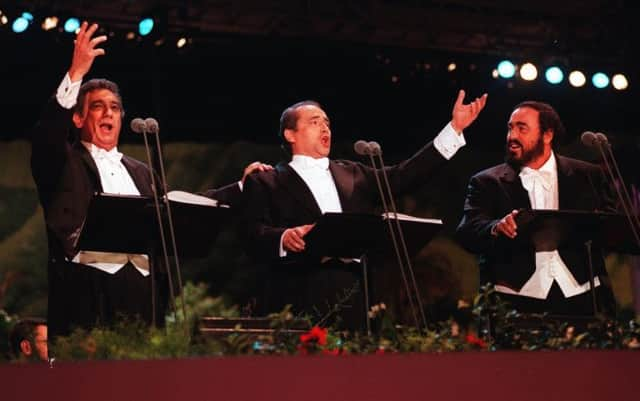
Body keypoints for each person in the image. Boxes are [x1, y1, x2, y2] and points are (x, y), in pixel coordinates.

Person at [30, 22, 264, 339]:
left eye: (114, 108)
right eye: (97, 107)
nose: (107, 114)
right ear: (78, 117)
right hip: (88, 290)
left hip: (143, 290)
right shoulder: (63, 161)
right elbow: (47, 136)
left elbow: (178, 209)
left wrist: (240, 187)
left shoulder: (141, 172)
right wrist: (75, 73)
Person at [243, 93, 487, 328]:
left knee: (354, 366)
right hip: (299, 288)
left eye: (327, 122)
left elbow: (406, 175)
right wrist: (283, 237)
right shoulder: (267, 180)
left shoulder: (354, 174)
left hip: (353, 287)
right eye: (315, 122)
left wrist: (454, 129)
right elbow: (252, 235)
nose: (325, 128)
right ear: (290, 134)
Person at [456, 101, 617, 317]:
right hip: (514, 300)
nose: (512, 136)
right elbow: (467, 231)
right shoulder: (486, 181)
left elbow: (610, 224)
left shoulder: (588, 175)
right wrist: (495, 227)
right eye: (510, 128)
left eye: (522, 128)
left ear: (547, 135)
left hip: (584, 297)